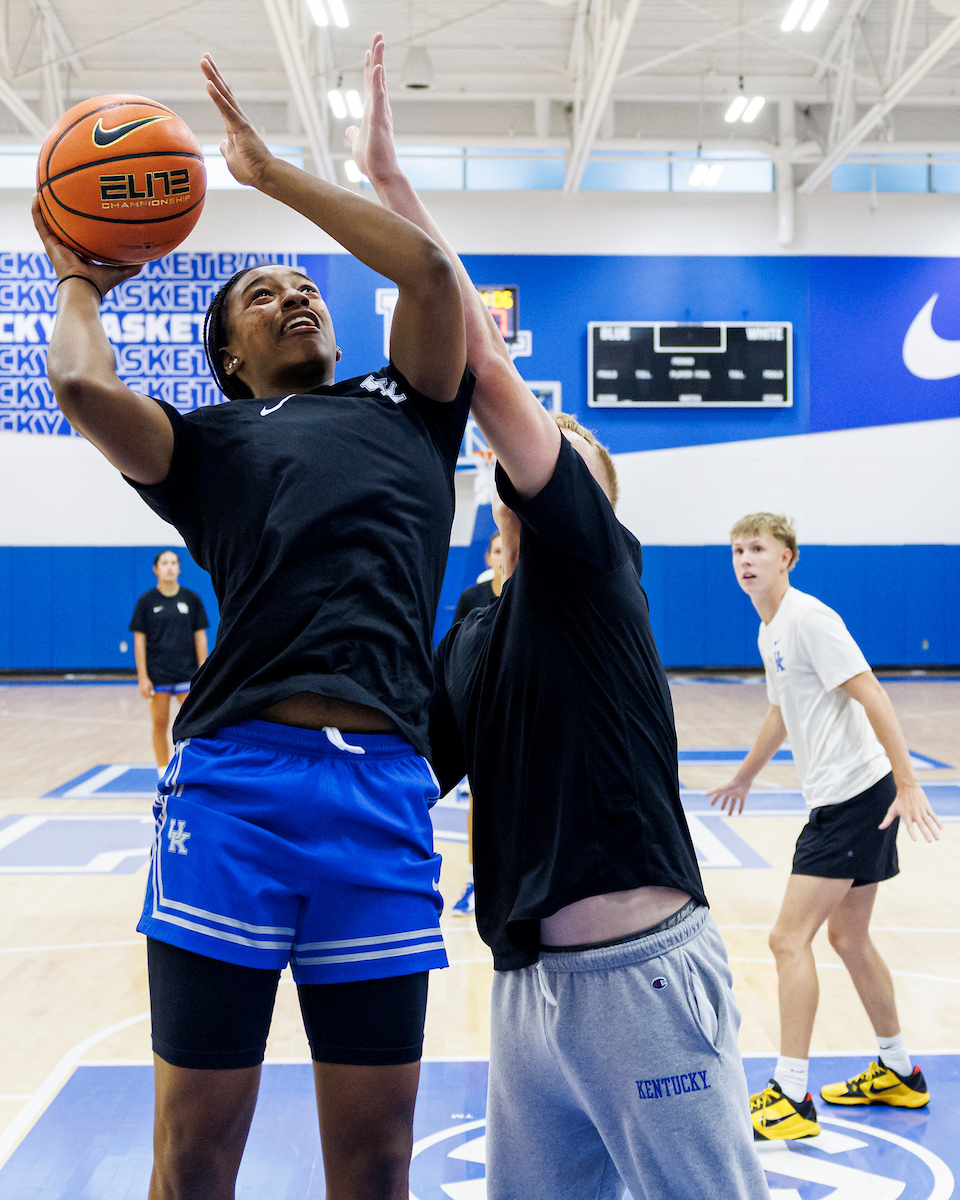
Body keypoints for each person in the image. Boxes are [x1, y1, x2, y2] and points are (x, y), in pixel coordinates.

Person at [36, 51, 469, 1200]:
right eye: (263, 295)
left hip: (382, 794)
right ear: (229, 356)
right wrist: (78, 278)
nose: (295, 296)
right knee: (193, 1156)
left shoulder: (411, 407)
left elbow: (430, 270)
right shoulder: (208, 445)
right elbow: (79, 389)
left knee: (376, 1163)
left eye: (304, 285)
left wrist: (271, 174)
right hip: (234, 793)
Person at [351, 36, 769, 1200]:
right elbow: (406, 769)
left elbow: (484, 368)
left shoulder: (592, 564)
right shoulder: (477, 619)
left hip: (639, 975)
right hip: (525, 985)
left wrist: (392, 189)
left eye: (571, 442)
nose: (548, 439)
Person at [706, 513, 942, 1141]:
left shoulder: (810, 619)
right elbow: (781, 712)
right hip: (850, 797)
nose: (745, 560)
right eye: (738, 550)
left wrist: (908, 781)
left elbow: (872, 692)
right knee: (849, 939)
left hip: (855, 799)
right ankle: (899, 1070)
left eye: (758, 549)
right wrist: (744, 777)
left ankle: (790, 1096)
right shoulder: (771, 629)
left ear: (788, 558)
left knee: (787, 939)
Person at [450, 531, 503, 916]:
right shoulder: (473, 598)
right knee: (480, 800)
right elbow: (456, 653)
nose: (503, 555)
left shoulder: (533, 592)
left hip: (521, 712)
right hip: (483, 713)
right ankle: (475, 880)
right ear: (488, 557)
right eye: (496, 550)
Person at [130, 550, 209, 771]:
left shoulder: (192, 599)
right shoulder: (146, 601)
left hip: (188, 674)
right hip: (159, 675)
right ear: (155, 569)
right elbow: (139, 641)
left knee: (196, 724)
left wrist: (204, 670)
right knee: (160, 724)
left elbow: (200, 637)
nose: (170, 567)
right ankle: (162, 771)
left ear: (179, 568)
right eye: (165, 563)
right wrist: (143, 677)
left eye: (174, 562)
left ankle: (195, 769)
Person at [453, 531, 503, 623]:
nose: (503, 558)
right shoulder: (469, 597)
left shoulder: (527, 596)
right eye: (498, 552)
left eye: (509, 551)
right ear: (488, 558)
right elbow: (457, 631)